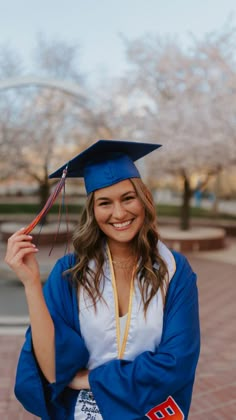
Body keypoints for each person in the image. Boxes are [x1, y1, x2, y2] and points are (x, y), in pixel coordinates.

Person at [5, 140, 200, 420]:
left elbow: (177, 363)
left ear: (144, 200)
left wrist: (91, 379)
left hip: (151, 410)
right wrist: (31, 283)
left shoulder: (174, 270)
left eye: (128, 198)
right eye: (105, 203)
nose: (119, 214)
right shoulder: (70, 272)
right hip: (85, 413)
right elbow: (52, 371)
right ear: (93, 211)